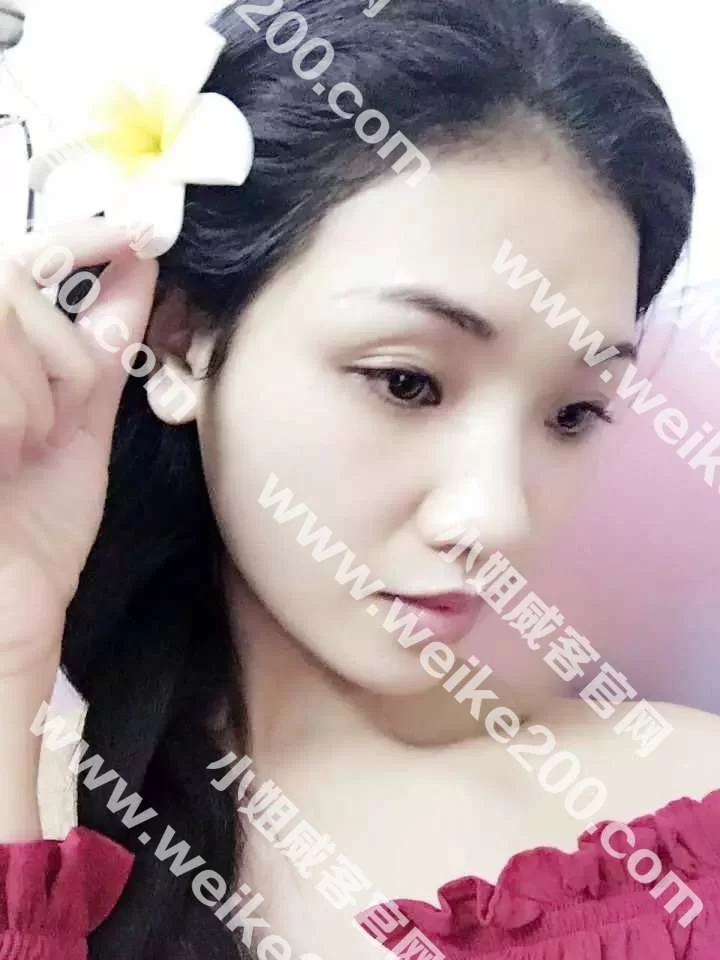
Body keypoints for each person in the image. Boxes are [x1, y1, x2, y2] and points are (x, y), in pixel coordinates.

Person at [1, 0, 719, 958]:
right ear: (176, 340)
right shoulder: (38, 823)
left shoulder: (685, 829)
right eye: (406, 381)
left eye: (573, 414)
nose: (496, 516)